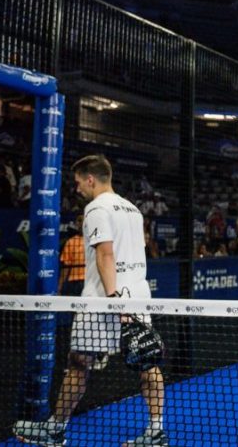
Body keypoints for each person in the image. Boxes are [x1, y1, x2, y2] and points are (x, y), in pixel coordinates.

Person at [13, 155, 167, 447]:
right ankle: (156, 431)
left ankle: (55, 430)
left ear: (90, 179)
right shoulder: (133, 209)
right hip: (137, 296)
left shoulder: (96, 208)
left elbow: (105, 254)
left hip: (104, 301)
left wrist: (114, 302)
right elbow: (139, 251)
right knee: (149, 362)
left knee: (78, 363)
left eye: (78, 182)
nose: (77, 188)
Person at [58, 215, 85, 297]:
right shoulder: (71, 242)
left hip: (91, 281)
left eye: (82, 221)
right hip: (74, 282)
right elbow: (66, 266)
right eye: (79, 221)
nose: (80, 223)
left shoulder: (96, 240)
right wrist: (59, 286)